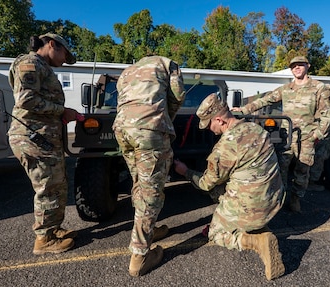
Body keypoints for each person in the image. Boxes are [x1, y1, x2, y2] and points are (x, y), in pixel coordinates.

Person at [173, 93, 285, 281]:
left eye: (209, 124)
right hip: (275, 200)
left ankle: (256, 240)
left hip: (252, 206)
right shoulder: (256, 129)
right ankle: (255, 225)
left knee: (214, 233)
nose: (209, 129)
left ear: (219, 120)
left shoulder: (224, 148)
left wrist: (185, 171)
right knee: (222, 191)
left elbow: (205, 183)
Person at [8, 33, 84, 255]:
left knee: (57, 185)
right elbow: (26, 99)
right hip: (33, 138)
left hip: (43, 139)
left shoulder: (42, 66)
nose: (63, 61)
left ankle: (53, 229)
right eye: (64, 55)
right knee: (48, 187)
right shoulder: (30, 63)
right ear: (52, 44)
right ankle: (44, 240)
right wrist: (63, 111)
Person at [112, 55, 186, 277]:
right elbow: (178, 96)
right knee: (151, 193)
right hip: (149, 130)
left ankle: (147, 231)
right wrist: (165, 120)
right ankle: (140, 255)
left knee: (139, 183)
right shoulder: (167, 64)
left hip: (123, 130)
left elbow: (122, 101)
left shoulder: (126, 72)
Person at [232, 56, 330, 213]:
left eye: (300, 65)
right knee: (281, 168)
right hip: (287, 136)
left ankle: (295, 199)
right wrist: (244, 110)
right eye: (294, 66)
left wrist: (318, 135)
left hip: (306, 138)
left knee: (302, 170)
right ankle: (280, 199)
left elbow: (328, 114)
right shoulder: (286, 89)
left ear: (308, 66)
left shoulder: (319, 88)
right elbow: (265, 100)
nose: (297, 68)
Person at [308, 87, 330, 191]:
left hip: (315, 130)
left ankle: (305, 180)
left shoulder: (316, 96)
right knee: (320, 156)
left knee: (311, 155)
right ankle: (311, 182)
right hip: (325, 132)